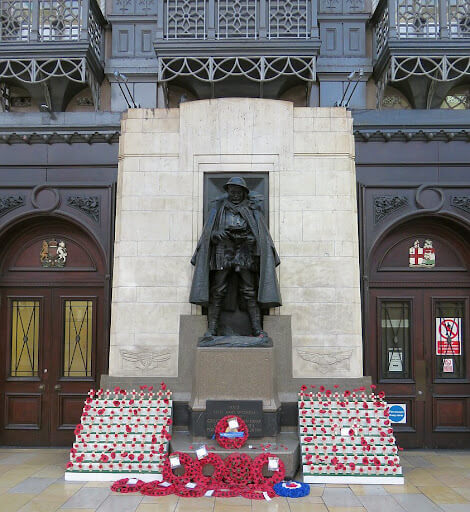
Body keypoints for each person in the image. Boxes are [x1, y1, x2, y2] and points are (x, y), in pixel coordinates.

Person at [190, 176, 281, 338]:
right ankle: (212, 330)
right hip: (223, 250)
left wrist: (251, 239)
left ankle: (257, 330)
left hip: (244, 251)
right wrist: (217, 234)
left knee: (249, 290)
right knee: (218, 290)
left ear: (244, 193)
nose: (236, 195)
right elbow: (209, 234)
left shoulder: (252, 210)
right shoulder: (219, 209)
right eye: (232, 192)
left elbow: (259, 234)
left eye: (239, 192)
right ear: (228, 192)